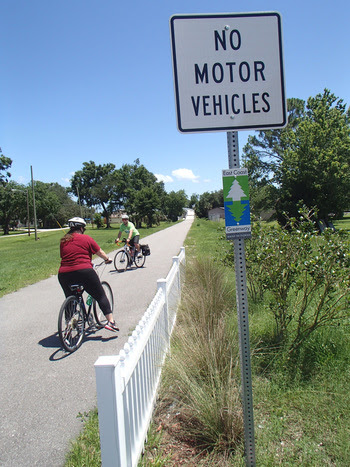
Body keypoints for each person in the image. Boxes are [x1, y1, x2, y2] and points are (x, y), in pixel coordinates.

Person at [58, 217, 119, 332]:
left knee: (70, 297)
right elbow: (99, 252)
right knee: (100, 295)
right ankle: (111, 322)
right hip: (84, 271)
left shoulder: (63, 241)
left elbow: (63, 256)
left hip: (64, 273)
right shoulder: (86, 238)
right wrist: (107, 259)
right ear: (81, 228)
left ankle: (68, 324)